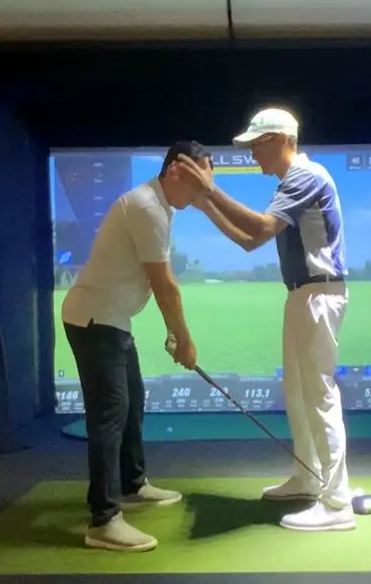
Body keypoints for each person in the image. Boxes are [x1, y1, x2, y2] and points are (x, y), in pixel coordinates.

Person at [176, 108, 355, 532]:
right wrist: (205, 203)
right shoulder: (288, 183)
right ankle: (308, 477)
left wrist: (209, 190)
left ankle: (337, 503)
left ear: (279, 139)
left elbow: (258, 225)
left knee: (319, 395)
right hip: (302, 294)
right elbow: (250, 241)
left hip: (319, 293)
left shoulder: (306, 176)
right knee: (296, 391)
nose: (253, 152)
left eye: (257, 144)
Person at [60, 140, 212, 552]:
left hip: (113, 318)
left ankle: (132, 483)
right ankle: (104, 519)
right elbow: (166, 286)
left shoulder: (160, 205)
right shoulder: (147, 207)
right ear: (176, 172)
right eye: (197, 184)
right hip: (94, 318)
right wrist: (184, 338)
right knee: (110, 413)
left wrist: (172, 330)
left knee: (133, 402)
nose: (200, 195)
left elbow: (151, 281)